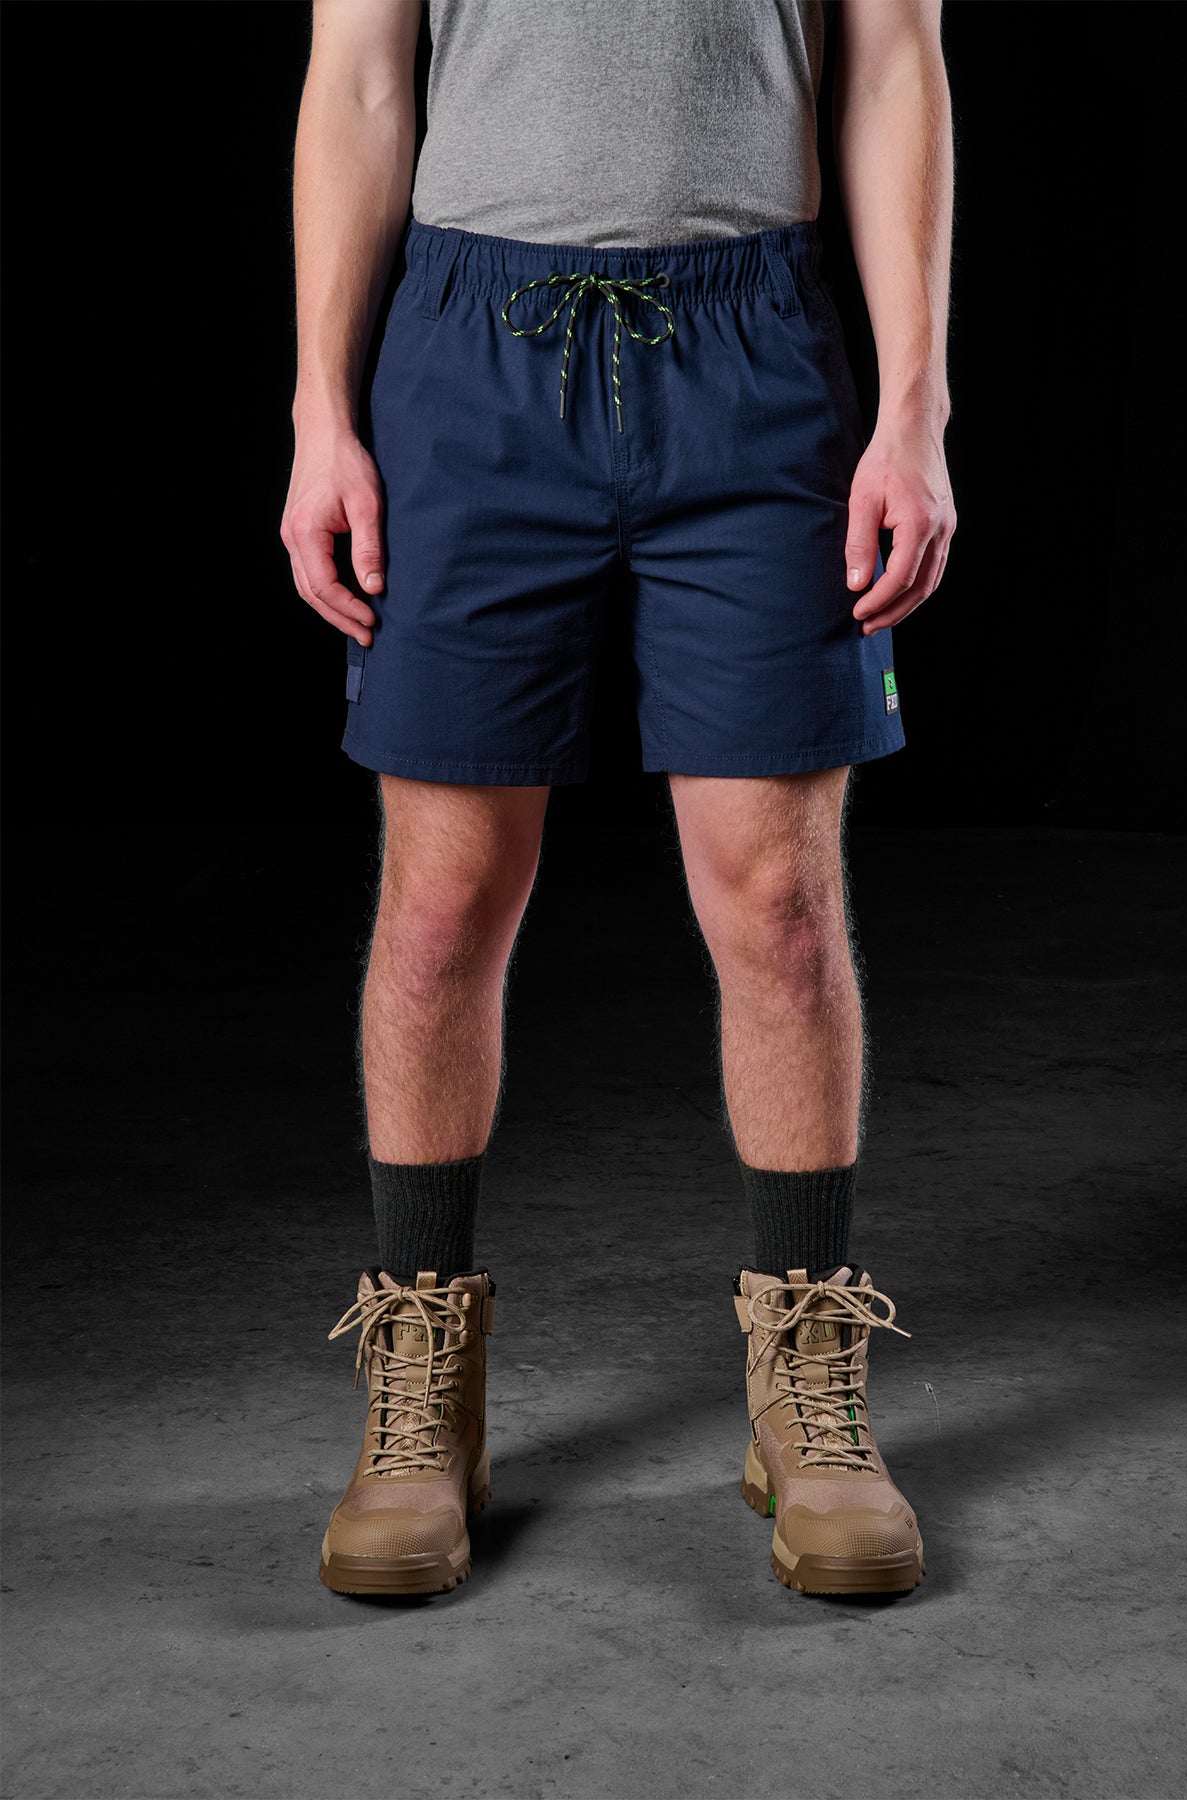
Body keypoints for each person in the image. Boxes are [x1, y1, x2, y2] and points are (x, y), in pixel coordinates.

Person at [281, 0, 956, 1599]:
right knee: (442, 899)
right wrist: (320, 407)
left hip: (753, 342)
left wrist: (914, 404)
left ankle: (807, 1374)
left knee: (780, 905)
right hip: (472, 343)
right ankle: (421, 1383)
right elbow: (360, 78)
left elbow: (893, 61)